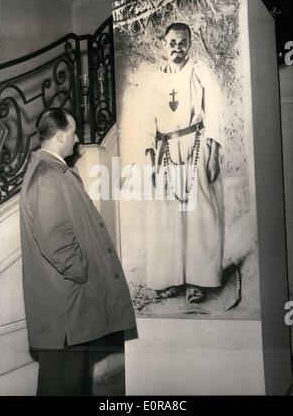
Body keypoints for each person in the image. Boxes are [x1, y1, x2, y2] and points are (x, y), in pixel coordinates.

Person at [20, 108, 136, 395]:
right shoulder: (48, 177)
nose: (76, 141)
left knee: (72, 385)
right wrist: (84, 272)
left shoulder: (55, 172)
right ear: (60, 135)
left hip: (71, 308)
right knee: (62, 386)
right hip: (67, 309)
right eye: (72, 133)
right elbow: (56, 239)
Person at [145, 22, 224, 303]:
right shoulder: (156, 78)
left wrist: (214, 153)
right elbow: (148, 121)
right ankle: (172, 279)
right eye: (172, 42)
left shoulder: (199, 72)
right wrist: (150, 158)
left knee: (199, 213)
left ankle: (198, 281)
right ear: (164, 45)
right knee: (167, 216)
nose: (177, 47)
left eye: (182, 42)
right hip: (165, 149)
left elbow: (214, 110)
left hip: (196, 145)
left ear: (189, 44)